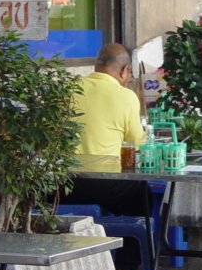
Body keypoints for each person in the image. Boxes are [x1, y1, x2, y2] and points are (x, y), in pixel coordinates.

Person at [61, 43, 147, 217]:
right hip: (103, 185)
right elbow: (138, 145)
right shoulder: (126, 96)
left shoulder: (67, 89)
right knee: (142, 195)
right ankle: (131, 243)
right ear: (125, 70)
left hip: (62, 185)